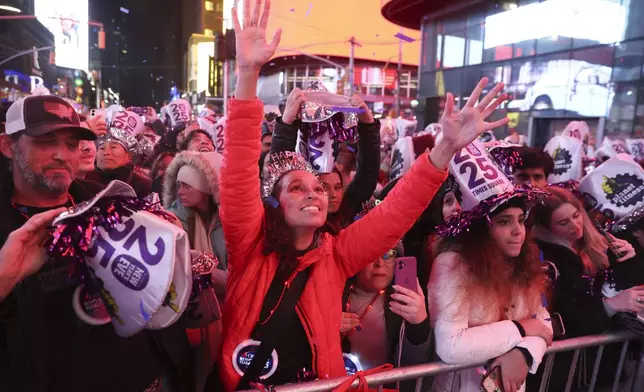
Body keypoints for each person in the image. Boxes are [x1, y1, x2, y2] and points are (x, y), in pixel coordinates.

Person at [215, 1, 509, 389]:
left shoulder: (337, 255)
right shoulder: (248, 245)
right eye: (297, 187)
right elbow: (237, 170)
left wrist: (443, 151)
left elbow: (394, 215)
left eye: (319, 187)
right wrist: (248, 73)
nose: (315, 193)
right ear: (275, 203)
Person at [0, 95, 192, 392]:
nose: (63, 155)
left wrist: (172, 252)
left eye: (72, 144)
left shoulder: (108, 201)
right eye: (46, 141)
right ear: (9, 147)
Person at [428, 196, 552, 392]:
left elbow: (543, 324)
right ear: (480, 229)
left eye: (521, 220)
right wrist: (520, 329)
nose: (518, 230)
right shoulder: (452, 263)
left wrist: (523, 353)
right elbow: (450, 346)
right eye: (504, 221)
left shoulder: (524, 261)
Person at [531, 186, 642, 389]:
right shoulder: (546, 260)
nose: (575, 225)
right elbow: (565, 316)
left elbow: (631, 286)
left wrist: (630, 260)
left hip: (609, 361)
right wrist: (610, 306)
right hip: (569, 368)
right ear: (547, 228)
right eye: (563, 223)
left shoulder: (600, 242)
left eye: (576, 215)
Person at [272, 87, 381, 232]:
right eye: (322, 188)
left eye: (337, 187)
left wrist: (368, 124)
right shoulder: (286, 221)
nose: (333, 195)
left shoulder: (345, 215)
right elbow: (279, 177)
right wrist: (287, 123)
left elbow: (367, 176)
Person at [341, 241, 431, 374]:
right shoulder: (333, 295)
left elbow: (415, 367)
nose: (380, 263)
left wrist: (419, 326)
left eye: (387, 254)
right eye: (370, 255)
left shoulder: (405, 301)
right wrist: (325, 330)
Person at [86, 130, 152, 197]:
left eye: (113, 147)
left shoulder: (143, 185)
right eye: (102, 148)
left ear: (128, 157)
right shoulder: (84, 180)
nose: (106, 153)